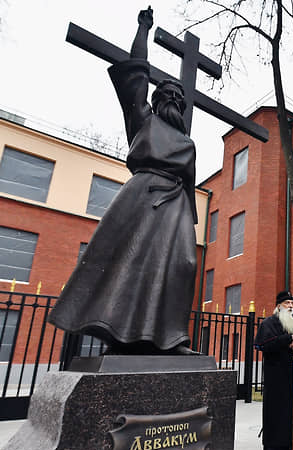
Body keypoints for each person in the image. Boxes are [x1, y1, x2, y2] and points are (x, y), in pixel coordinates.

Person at [49, 7, 198, 355]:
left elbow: (190, 187)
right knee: (132, 265)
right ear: (159, 101)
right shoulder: (143, 120)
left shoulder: (189, 143)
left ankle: (171, 337)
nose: (175, 99)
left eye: (179, 97)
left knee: (182, 265)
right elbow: (137, 75)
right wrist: (143, 30)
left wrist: (187, 221)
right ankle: (120, 336)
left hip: (175, 205)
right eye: (169, 95)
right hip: (143, 196)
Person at [253, 290, 293, 450]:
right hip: (275, 376)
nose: (291, 306)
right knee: (276, 414)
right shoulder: (269, 323)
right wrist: (288, 339)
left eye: (292, 302)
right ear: (278, 306)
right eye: (287, 303)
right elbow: (262, 344)